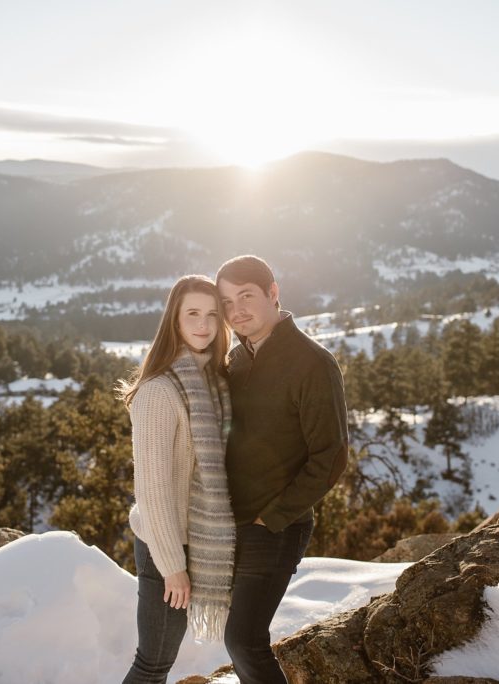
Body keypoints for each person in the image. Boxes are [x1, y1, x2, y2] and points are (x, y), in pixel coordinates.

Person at [215, 255, 349, 683]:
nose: (236, 310)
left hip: (275, 525)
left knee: (243, 639)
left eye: (246, 296)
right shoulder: (235, 361)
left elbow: (330, 456)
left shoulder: (312, 363)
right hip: (233, 523)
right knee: (238, 639)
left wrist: (271, 517)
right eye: (227, 302)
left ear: (274, 294)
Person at [119, 275, 236, 684]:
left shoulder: (214, 383)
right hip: (163, 545)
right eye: (192, 314)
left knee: (158, 659)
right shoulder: (159, 391)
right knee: (153, 662)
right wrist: (172, 566)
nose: (203, 324)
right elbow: (152, 491)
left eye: (212, 314)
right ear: (175, 320)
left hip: (193, 539)